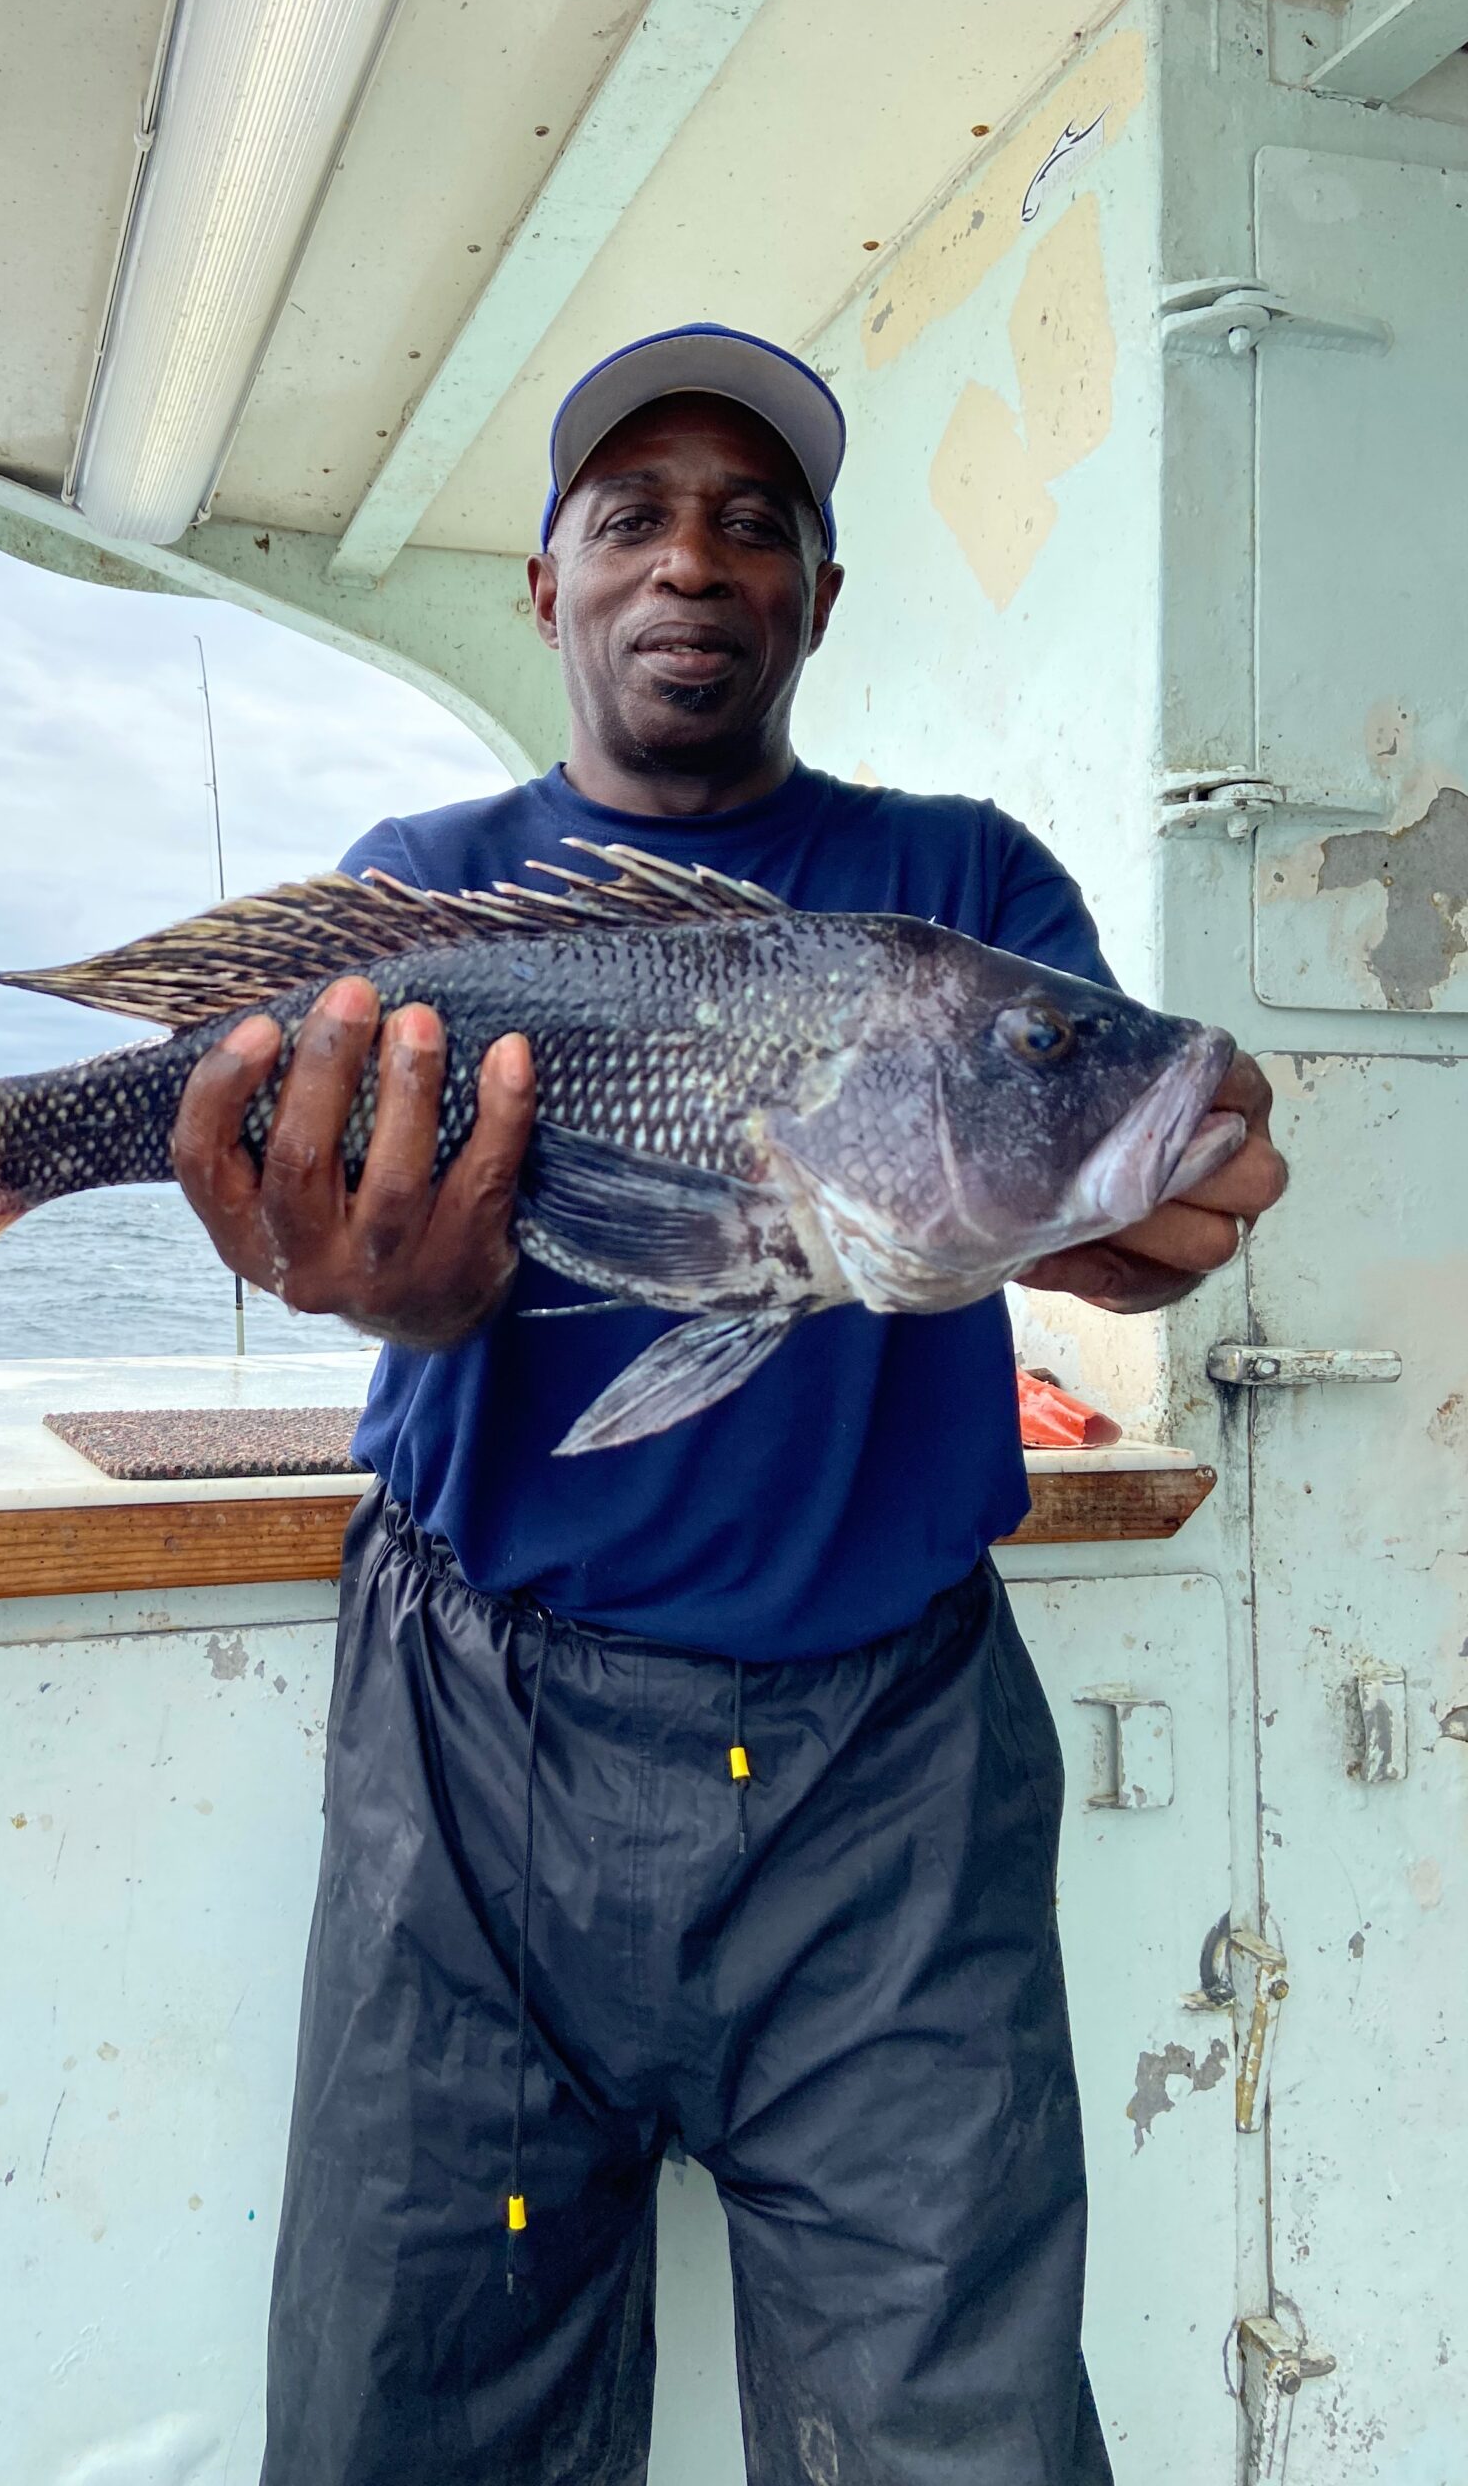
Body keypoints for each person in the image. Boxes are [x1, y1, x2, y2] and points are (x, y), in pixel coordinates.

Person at [171, 324, 1287, 2486]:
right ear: (551, 581)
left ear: (818, 600)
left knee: (957, 2421)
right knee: (418, 2406)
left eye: (754, 522)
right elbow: (343, 1245)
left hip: (893, 1766)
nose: (695, 558)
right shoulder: (431, 884)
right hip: (470, 1745)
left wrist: (1165, 1178)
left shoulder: (957, 894)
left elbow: (1123, 1210)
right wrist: (364, 1284)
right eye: (636, 516)